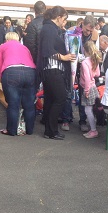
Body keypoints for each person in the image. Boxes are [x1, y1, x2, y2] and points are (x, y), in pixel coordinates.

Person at [38, 6, 75, 140]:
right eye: (64, 20)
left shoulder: (48, 28)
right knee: (60, 98)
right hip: (53, 69)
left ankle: (49, 129)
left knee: (51, 99)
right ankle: (51, 130)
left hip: (50, 69)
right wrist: (64, 57)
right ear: (58, 17)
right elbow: (47, 49)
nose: (64, 23)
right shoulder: (49, 29)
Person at [0, 32, 37, 136]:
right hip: (30, 72)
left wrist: (2, 78)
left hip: (11, 71)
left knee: (13, 104)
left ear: (6, 39)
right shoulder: (24, 47)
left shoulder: (3, 46)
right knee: (29, 104)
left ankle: (12, 130)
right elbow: (31, 60)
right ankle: (29, 130)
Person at [80, 41, 101, 138]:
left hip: (87, 87)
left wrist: (86, 91)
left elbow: (87, 78)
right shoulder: (94, 60)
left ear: (85, 50)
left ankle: (93, 130)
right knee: (94, 108)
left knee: (88, 110)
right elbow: (97, 74)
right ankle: (95, 127)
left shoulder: (84, 62)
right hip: (94, 87)